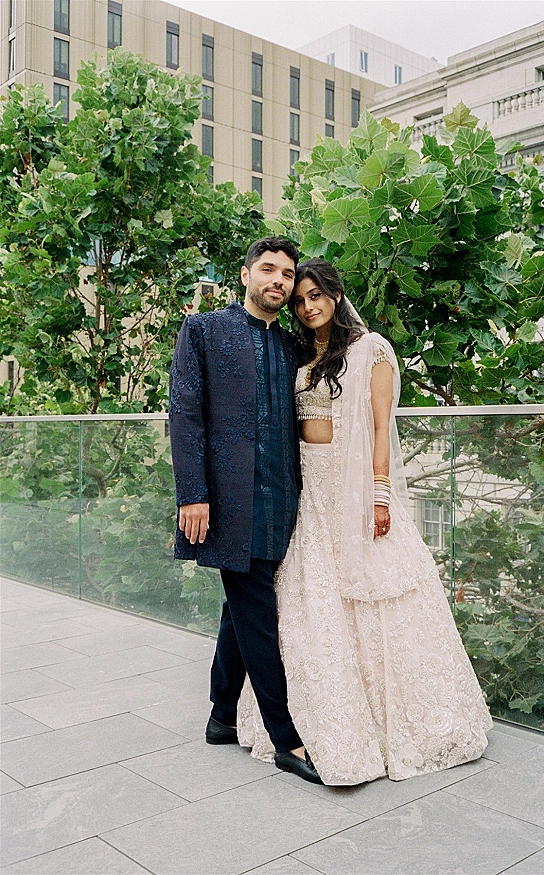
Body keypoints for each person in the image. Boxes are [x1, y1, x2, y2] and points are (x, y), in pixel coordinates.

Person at [238, 258, 493, 785]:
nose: (308, 307)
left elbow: (382, 430)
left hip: (354, 492)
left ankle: (394, 726)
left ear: (335, 294)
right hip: (309, 493)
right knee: (312, 605)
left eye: (317, 296)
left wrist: (379, 497)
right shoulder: (299, 355)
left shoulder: (370, 349)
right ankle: (315, 719)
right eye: (301, 298)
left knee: (374, 598)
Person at [168, 238, 322, 784]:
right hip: (228, 502)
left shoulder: (291, 347)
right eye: (269, 270)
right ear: (245, 275)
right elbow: (184, 415)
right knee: (258, 611)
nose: (279, 280)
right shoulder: (204, 331)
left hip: (284, 499)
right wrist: (193, 493)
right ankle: (287, 740)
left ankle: (219, 716)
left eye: (287, 273)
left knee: (241, 604)